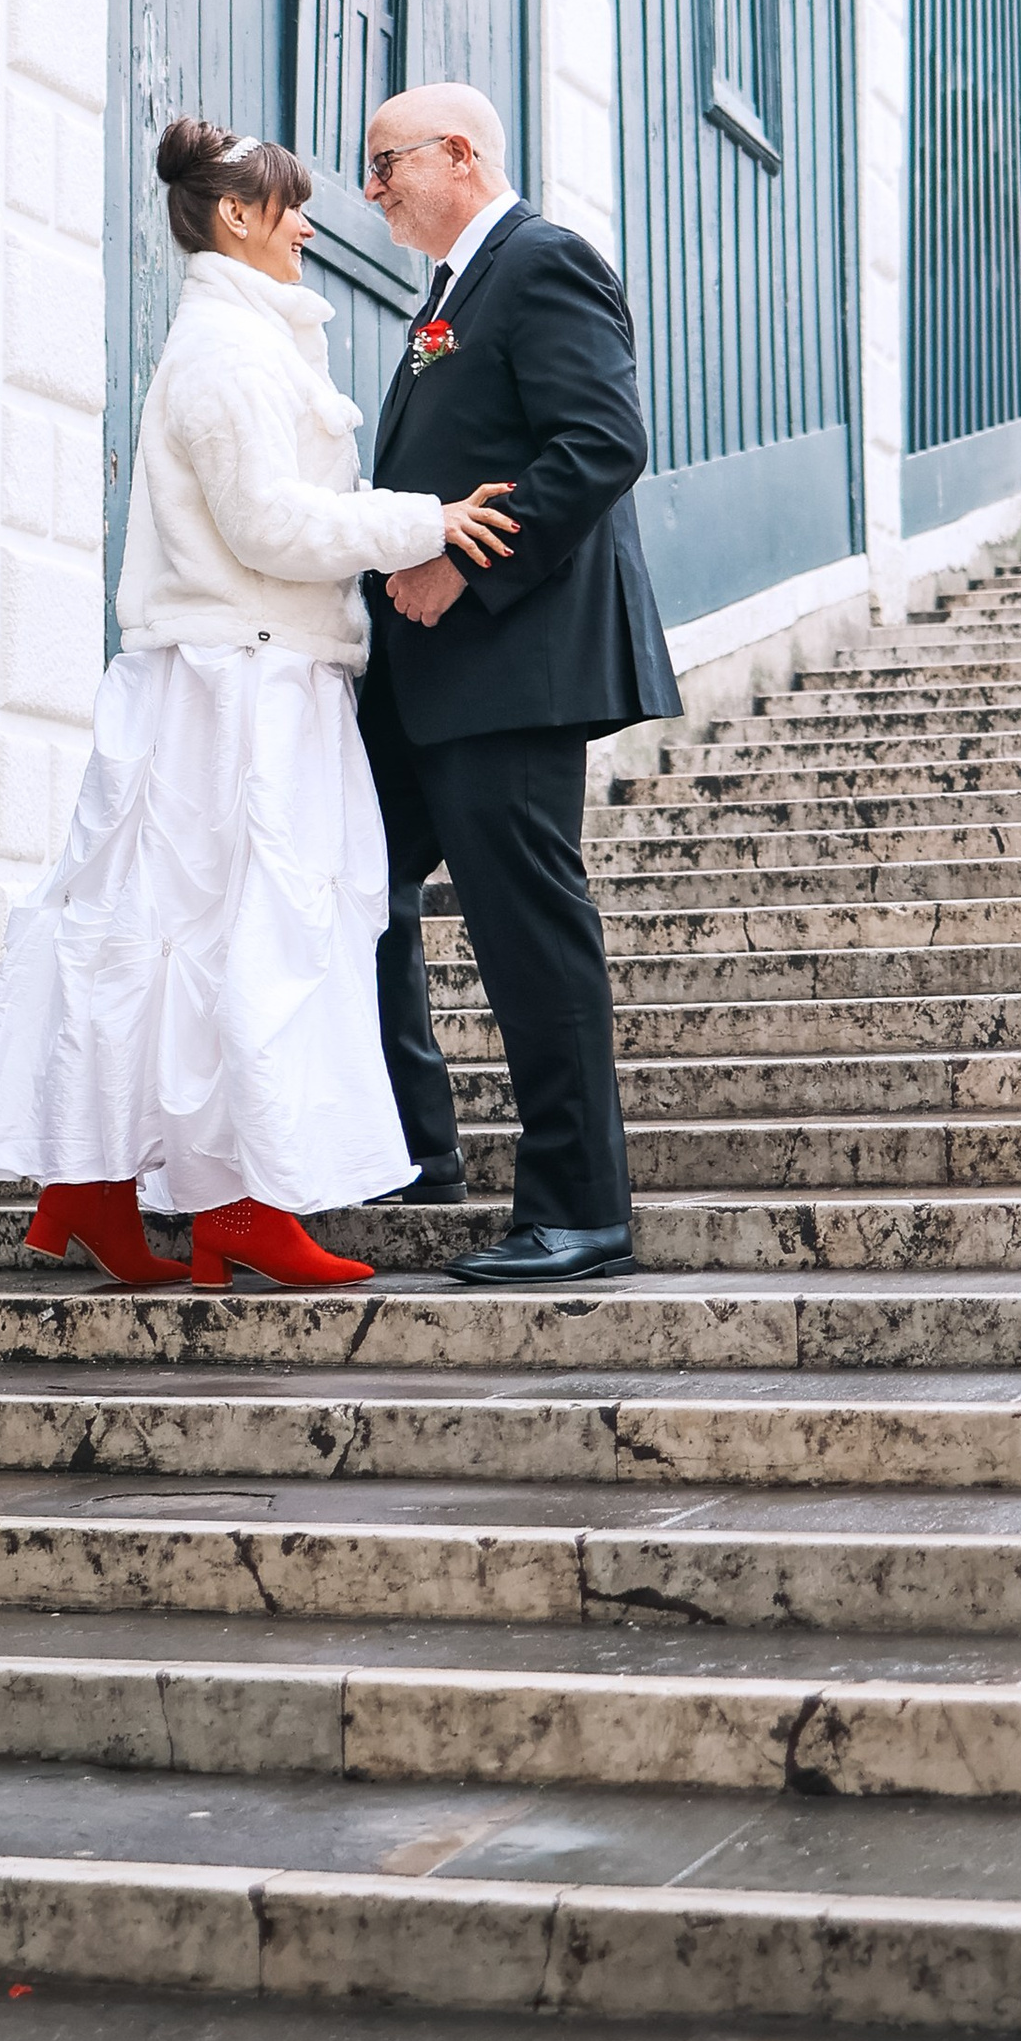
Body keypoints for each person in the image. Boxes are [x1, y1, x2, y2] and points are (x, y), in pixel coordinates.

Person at [0, 115, 522, 1289]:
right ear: (235, 217)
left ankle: (108, 1192)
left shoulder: (250, 342)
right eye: (292, 205)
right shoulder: (226, 351)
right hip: (241, 683)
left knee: (185, 936)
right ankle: (229, 1206)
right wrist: (426, 522)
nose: (313, 224)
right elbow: (268, 523)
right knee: (243, 941)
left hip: (250, 674)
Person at [357, 80, 681, 1286]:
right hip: (422, 675)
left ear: (458, 152)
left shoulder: (542, 261)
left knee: (528, 930)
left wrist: (462, 573)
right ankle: (410, 1146)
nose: (373, 189)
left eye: (386, 163)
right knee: (356, 886)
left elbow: (602, 442)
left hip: (512, 662)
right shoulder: (446, 295)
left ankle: (580, 1209)